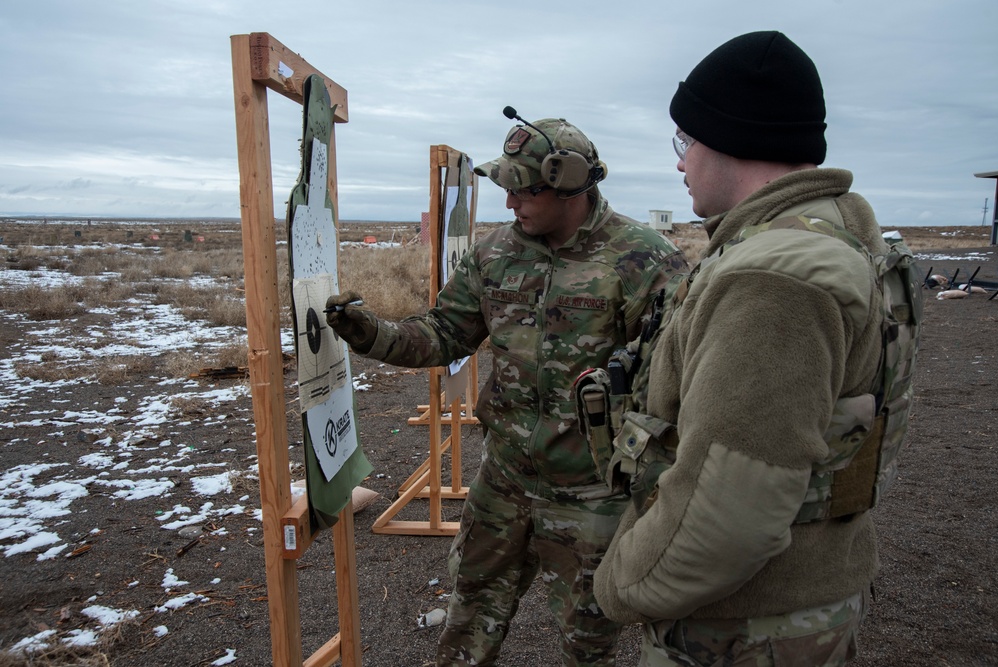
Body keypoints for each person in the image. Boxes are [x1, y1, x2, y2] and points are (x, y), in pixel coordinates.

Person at [594, 31, 922, 666]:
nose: (680, 162)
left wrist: (618, 586)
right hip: (788, 609)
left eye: (686, 141)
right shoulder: (827, 237)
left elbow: (728, 514)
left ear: (732, 137)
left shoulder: (773, 277)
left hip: (743, 629)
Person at [326, 114, 690, 666]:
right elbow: (443, 334)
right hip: (505, 481)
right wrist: (369, 332)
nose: (510, 204)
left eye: (522, 191)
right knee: (468, 616)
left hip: (594, 496)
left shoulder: (643, 260)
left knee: (588, 641)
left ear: (567, 185)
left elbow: (674, 382)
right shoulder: (496, 255)